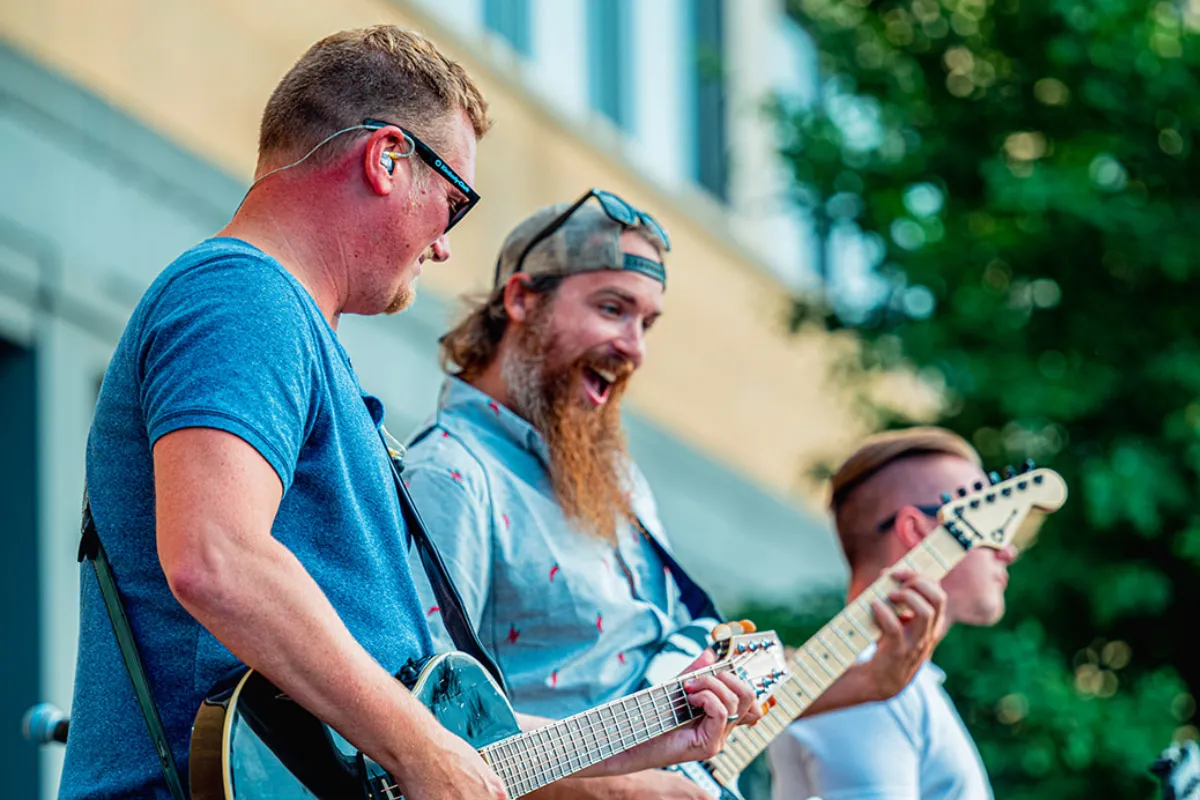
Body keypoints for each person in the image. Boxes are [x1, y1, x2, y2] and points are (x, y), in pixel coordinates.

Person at [60, 29, 753, 800]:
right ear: (387, 158)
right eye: (454, 202)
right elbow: (216, 557)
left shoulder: (287, 331)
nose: (447, 248)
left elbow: (437, 727)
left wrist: (640, 735)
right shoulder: (242, 295)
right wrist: (422, 749)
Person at [402, 191, 949, 798]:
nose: (634, 346)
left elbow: (704, 699)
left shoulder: (612, 478)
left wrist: (874, 679)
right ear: (523, 299)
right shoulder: (452, 475)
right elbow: (428, 740)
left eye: (647, 323)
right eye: (613, 308)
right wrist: (643, 792)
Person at [768, 427, 1016, 800]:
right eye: (987, 522)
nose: (1008, 550)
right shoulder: (859, 685)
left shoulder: (894, 687)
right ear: (917, 531)